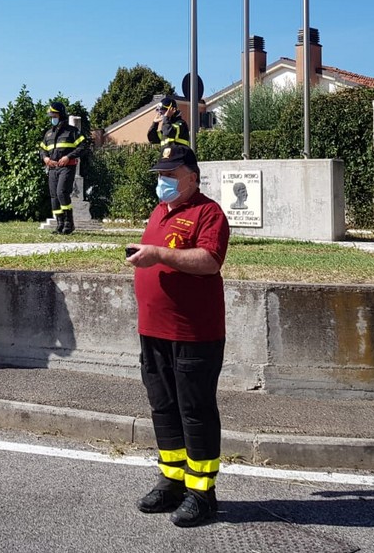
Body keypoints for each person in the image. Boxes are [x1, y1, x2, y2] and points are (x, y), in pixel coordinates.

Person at [126, 144, 230, 528]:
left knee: (195, 412)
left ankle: (202, 493)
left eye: (170, 175)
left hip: (193, 333)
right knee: (164, 408)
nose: (162, 181)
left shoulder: (209, 212)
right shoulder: (160, 211)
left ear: (192, 177)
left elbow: (209, 261)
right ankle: (172, 481)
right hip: (153, 331)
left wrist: (159, 256)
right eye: (160, 175)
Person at [38, 100, 87, 234]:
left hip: (67, 167)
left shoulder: (72, 132)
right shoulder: (48, 133)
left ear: (61, 114)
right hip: (52, 168)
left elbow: (83, 147)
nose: (52, 118)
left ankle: (68, 223)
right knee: (54, 196)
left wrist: (68, 157)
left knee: (62, 193)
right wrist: (46, 158)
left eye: (54, 115)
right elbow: (42, 149)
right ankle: (60, 224)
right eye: (51, 116)